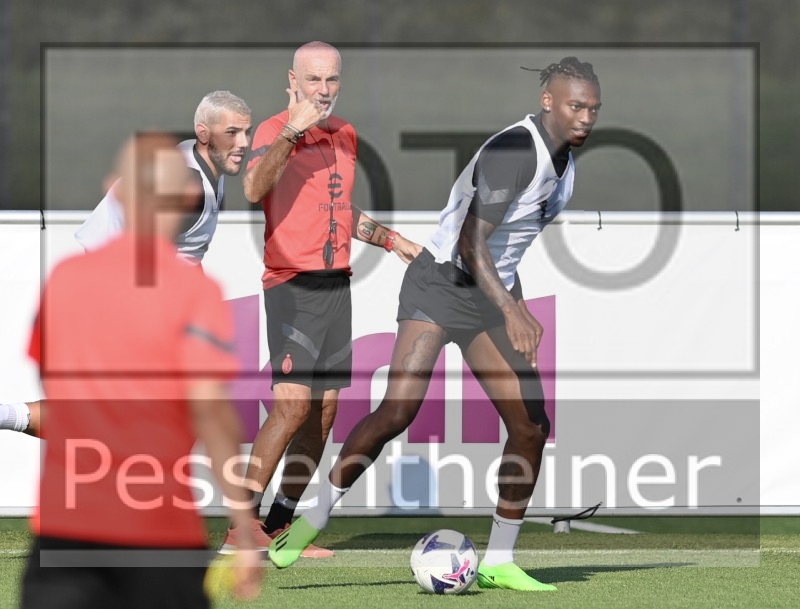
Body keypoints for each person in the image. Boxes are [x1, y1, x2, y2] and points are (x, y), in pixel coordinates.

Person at [268, 57, 602, 591]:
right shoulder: (515, 150)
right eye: (575, 105)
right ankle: (313, 516)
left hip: (491, 297)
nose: (585, 117)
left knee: (530, 427)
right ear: (548, 102)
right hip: (440, 285)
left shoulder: (566, 163)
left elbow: (503, 248)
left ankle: (498, 560)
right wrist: (514, 310)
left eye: (592, 109)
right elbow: (471, 242)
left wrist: (509, 303)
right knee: (398, 410)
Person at [20, 132, 263, 608]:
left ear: (117, 189)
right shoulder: (195, 293)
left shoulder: (67, 281)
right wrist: (244, 527)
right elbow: (211, 415)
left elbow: (64, 400)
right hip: (160, 534)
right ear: (185, 201)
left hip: (66, 531)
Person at [219, 41, 421, 556]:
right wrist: (293, 127)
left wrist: (394, 241)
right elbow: (253, 188)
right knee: (290, 408)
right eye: (313, 80)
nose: (323, 90)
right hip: (292, 285)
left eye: (331, 80)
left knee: (324, 414)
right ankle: (241, 529)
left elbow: (338, 209)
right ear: (292, 80)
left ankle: (282, 523)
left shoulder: (345, 135)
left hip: (337, 284)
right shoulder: (271, 131)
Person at [1, 91, 252, 438]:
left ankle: (6, 415)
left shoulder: (192, 157)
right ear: (204, 133)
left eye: (246, 132)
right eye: (233, 132)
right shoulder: (190, 191)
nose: (243, 143)